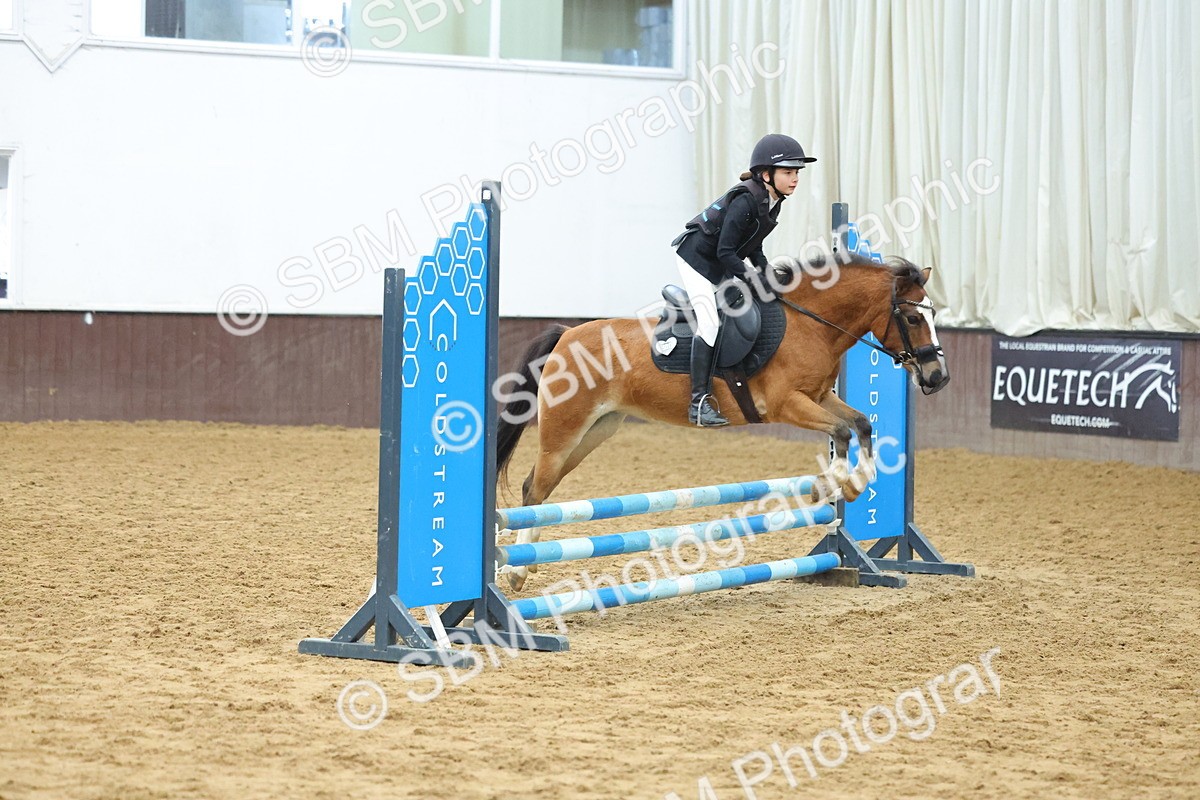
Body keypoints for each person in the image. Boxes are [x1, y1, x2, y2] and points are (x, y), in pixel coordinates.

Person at [671, 133, 816, 427]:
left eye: (797, 172)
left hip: (719, 261)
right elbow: (725, 251)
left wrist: (769, 277)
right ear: (767, 174)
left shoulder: (772, 201)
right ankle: (698, 403)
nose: (795, 178)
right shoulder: (746, 200)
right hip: (696, 259)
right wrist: (753, 278)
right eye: (788, 172)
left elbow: (753, 247)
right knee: (710, 323)